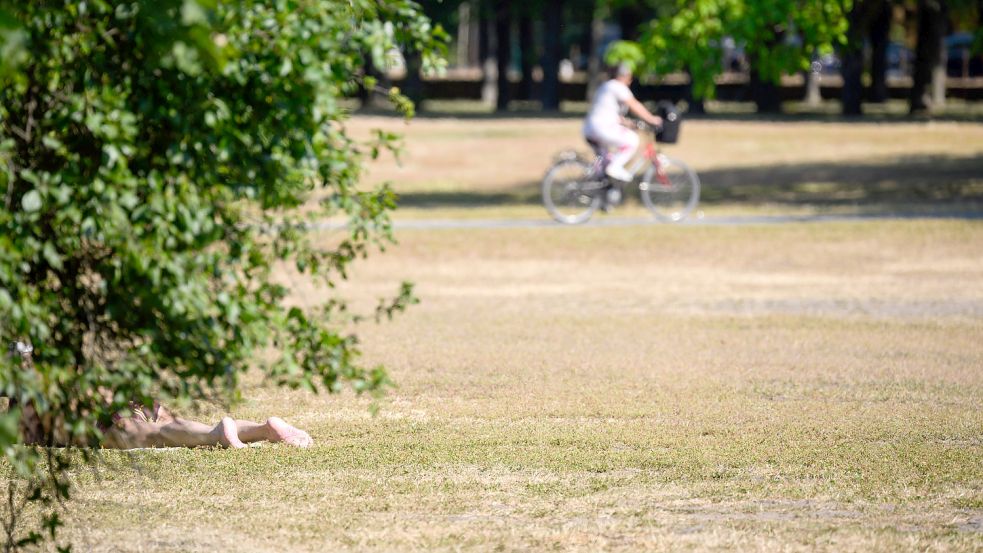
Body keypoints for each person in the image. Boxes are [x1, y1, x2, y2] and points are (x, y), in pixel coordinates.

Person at [6, 341, 312, 450]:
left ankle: (217, 433)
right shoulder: (63, 368)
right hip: (123, 397)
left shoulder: (26, 400)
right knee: (176, 423)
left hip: (104, 422)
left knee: (159, 434)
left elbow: (25, 434)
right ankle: (264, 428)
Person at [583, 63, 663, 183]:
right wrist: (651, 119)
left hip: (591, 127)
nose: (630, 82)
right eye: (630, 78)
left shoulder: (606, 86)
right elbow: (634, 105)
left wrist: (629, 123)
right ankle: (615, 168)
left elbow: (609, 112)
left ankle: (603, 191)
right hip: (602, 127)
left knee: (605, 161)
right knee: (632, 140)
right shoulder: (617, 86)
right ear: (624, 76)